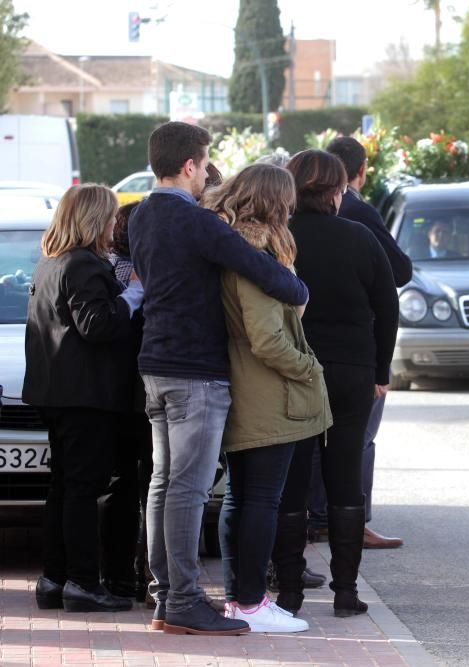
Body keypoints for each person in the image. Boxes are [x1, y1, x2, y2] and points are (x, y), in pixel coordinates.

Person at [129, 121, 309, 636]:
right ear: (189, 166)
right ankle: (184, 599)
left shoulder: (141, 214)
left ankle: (168, 594)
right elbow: (259, 267)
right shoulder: (194, 220)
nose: (208, 173)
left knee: (164, 485)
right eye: (205, 164)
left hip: (156, 363)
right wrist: (298, 290)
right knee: (186, 489)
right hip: (195, 371)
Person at [203, 163, 331, 633]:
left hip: (248, 386)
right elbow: (268, 340)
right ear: (274, 202)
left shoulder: (233, 247)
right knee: (258, 501)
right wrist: (310, 368)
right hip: (265, 390)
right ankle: (252, 603)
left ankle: (243, 602)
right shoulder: (254, 254)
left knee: (242, 499)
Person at [286, 149, 399, 617]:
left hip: (293, 369)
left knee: (291, 479)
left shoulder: (281, 240)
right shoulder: (358, 237)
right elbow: (388, 306)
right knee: (344, 477)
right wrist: (380, 372)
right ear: (337, 190)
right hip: (352, 371)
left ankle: (289, 591)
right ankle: (346, 591)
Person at [23, 184, 144, 613]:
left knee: (63, 487)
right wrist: (132, 296)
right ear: (95, 219)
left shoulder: (50, 262)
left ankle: (54, 579)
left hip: (54, 392)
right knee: (82, 488)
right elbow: (97, 325)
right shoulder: (84, 265)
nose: (115, 225)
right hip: (86, 396)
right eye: (111, 217)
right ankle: (83, 582)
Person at [319, 136, 412, 550]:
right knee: (359, 440)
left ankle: (319, 519)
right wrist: (380, 369)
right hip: (356, 352)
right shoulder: (357, 214)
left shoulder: (291, 221)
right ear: (358, 172)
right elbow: (399, 274)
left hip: (305, 353)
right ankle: (353, 524)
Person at [100, 201, 154, 602]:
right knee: (156, 485)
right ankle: (149, 573)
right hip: (147, 390)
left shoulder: (107, 269)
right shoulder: (148, 271)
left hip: (115, 394)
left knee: (120, 485)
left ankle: (117, 575)